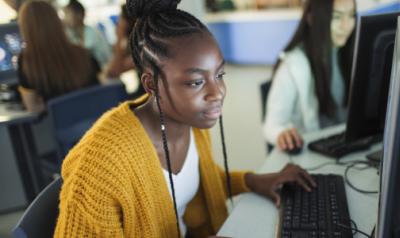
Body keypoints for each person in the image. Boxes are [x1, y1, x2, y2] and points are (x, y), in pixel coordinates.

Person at [54, 0, 316, 237]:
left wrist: (254, 180)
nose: (217, 93)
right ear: (151, 84)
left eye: (219, 75)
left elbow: (202, 180)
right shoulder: (101, 167)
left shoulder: (189, 121)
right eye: (196, 82)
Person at [263, 0, 356, 151]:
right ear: (312, 18)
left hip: (346, 147)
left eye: (351, 15)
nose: (346, 25)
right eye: (337, 17)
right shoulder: (293, 65)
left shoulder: (349, 52)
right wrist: (282, 134)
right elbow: (271, 125)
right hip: (312, 154)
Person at [17, 1, 100, 112]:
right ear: (57, 21)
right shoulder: (83, 53)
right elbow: (99, 93)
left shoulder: (27, 61)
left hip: (58, 127)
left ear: (25, 28)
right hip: (95, 124)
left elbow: (32, 107)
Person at [63, 0, 111, 67]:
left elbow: (84, 52)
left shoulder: (92, 32)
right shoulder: (71, 34)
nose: (64, 18)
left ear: (79, 15)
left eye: (67, 14)